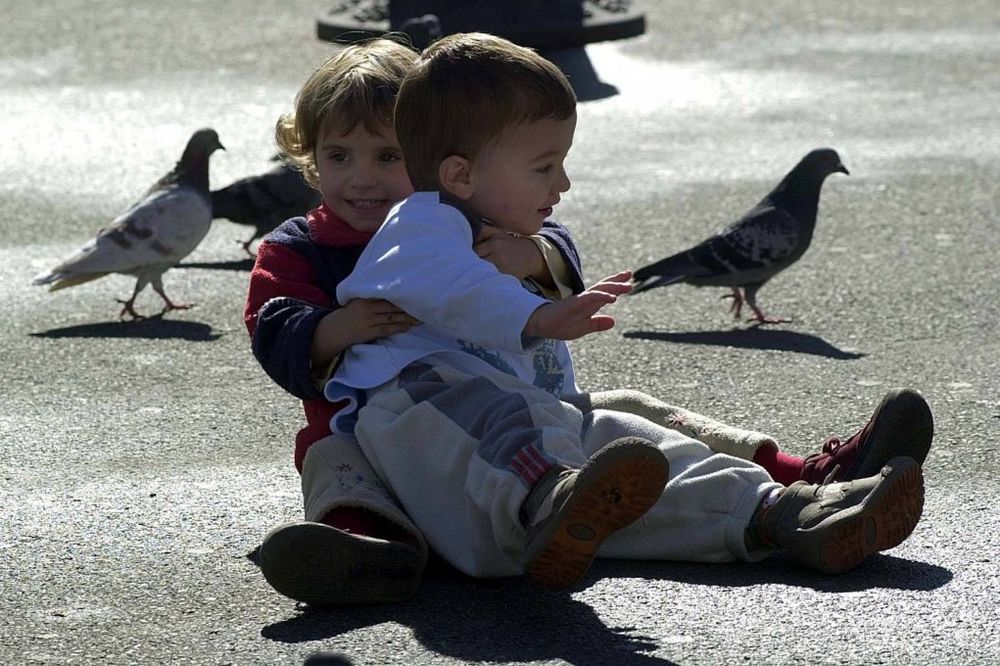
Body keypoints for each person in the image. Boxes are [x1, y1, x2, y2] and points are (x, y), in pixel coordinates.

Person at [246, 37, 933, 605]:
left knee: (623, 426)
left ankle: (793, 499)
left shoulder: (477, 215)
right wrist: (332, 330)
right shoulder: (325, 244)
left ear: (438, 159)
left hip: (517, 416)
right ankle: (370, 554)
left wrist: (531, 260)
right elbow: (276, 323)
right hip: (371, 436)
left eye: (387, 156)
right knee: (339, 462)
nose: (362, 177)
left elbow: (556, 250)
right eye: (339, 156)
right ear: (311, 157)